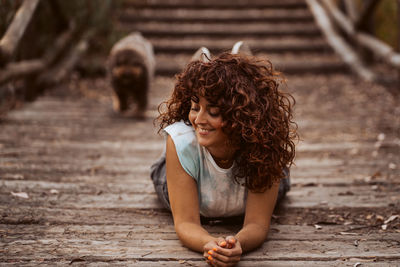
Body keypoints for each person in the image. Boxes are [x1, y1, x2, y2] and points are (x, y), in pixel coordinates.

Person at [150, 48, 297, 266]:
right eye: (195, 107)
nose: (198, 119)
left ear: (241, 116)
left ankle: (238, 65)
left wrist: (236, 243)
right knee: (170, 170)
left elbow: (257, 224)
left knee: (281, 180)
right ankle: (216, 71)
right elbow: (186, 223)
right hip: (187, 172)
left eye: (213, 112)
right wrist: (209, 244)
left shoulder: (265, 146)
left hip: (245, 182)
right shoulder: (180, 140)